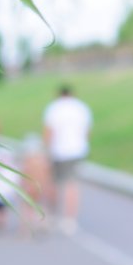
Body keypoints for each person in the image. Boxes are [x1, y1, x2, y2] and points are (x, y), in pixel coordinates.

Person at [41, 84, 93, 235]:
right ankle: (70, 220)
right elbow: (87, 131)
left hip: (57, 150)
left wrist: (46, 149)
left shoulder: (54, 108)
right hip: (76, 150)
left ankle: (52, 215)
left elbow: (49, 131)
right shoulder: (81, 108)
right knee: (72, 184)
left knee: (53, 183)